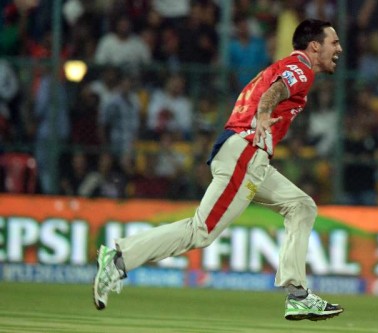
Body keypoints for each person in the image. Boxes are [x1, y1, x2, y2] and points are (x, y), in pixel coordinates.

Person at [93, 19, 344, 321]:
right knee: (202, 231)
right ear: (314, 45)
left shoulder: (283, 66)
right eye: (334, 42)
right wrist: (264, 115)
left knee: (301, 206)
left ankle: (298, 295)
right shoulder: (301, 68)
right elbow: (274, 93)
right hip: (247, 152)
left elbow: (269, 90)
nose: (339, 48)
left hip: (247, 154)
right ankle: (119, 259)